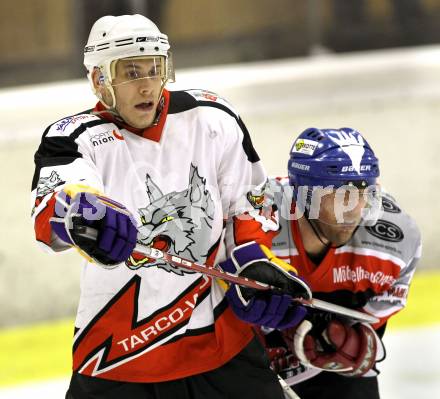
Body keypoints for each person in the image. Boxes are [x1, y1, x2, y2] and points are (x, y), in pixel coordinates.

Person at [30, 14, 309, 399]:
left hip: (223, 347)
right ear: (99, 80)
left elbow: (250, 202)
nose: (147, 85)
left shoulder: (212, 118)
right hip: (118, 354)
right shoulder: (73, 137)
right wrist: (82, 214)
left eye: (155, 68)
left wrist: (251, 258)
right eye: (130, 72)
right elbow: (51, 208)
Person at [259, 127, 421, 399]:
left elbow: (372, 318)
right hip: (248, 361)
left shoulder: (395, 241)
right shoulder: (256, 220)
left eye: (363, 192)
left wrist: (346, 335)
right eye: (341, 194)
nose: (355, 208)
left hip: (328, 365)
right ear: (305, 195)